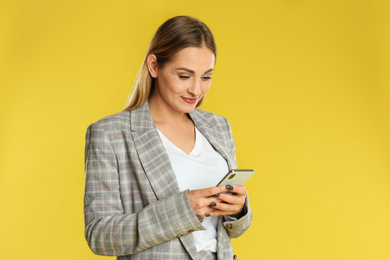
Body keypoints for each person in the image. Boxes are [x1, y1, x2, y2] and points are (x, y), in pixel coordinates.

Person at [84, 16, 252, 260]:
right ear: (154, 66)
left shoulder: (218, 127)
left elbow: (230, 231)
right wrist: (182, 211)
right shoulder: (111, 134)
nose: (196, 90)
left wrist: (237, 210)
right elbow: (99, 235)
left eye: (206, 77)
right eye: (184, 76)